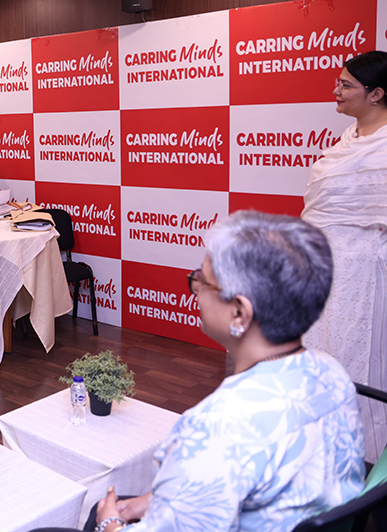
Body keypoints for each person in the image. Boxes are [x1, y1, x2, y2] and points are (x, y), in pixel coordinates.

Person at [36, 211, 366, 532]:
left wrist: (110, 523)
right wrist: (157, 501)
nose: (195, 290)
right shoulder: (333, 375)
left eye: (202, 281)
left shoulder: (215, 426)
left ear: (239, 312)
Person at [302, 50, 387, 464]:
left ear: (376, 94)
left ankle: (361, 453)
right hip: (325, 266)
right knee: (320, 350)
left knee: (360, 360)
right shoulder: (348, 140)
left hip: (364, 271)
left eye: (346, 85)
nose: (336, 90)